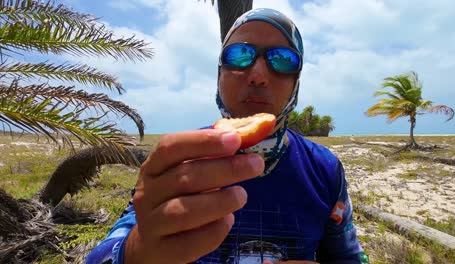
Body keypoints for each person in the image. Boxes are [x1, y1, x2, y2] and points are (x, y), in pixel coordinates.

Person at [86, 8, 368, 264]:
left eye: (282, 60)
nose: (258, 75)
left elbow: (348, 256)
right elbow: (112, 248)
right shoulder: (180, 161)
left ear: (296, 82)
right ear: (219, 74)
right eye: (239, 55)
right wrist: (136, 251)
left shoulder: (325, 169)